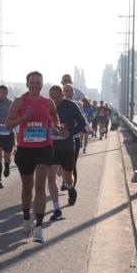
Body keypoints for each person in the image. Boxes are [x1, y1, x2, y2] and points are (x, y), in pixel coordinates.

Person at [5, 71, 58, 243]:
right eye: (32, 82)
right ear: (27, 84)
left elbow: (54, 118)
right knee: (27, 187)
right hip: (25, 149)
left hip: (44, 147)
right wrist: (23, 118)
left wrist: (54, 127)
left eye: (38, 82)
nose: (35, 85)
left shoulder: (48, 102)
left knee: (40, 185)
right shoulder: (19, 102)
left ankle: (39, 228)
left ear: (42, 84)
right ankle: (27, 216)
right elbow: (8, 125)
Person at [48, 83, 87, 218]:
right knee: (51, 176)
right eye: (51, 98)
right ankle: (57, 209)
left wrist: (70, 132)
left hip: (67, 147)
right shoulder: (46, 106)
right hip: (51, 147)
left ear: (63, 96)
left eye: (57, 98)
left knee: (67, 177)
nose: (54, 101)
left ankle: (70, 188)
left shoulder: (71, 106)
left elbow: (82, 123)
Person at [0, 85, 14, 189]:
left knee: (7, 156)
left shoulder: (11, 104)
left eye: (0, 92)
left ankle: (7, 166)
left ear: (5, 93)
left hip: (8, 134)